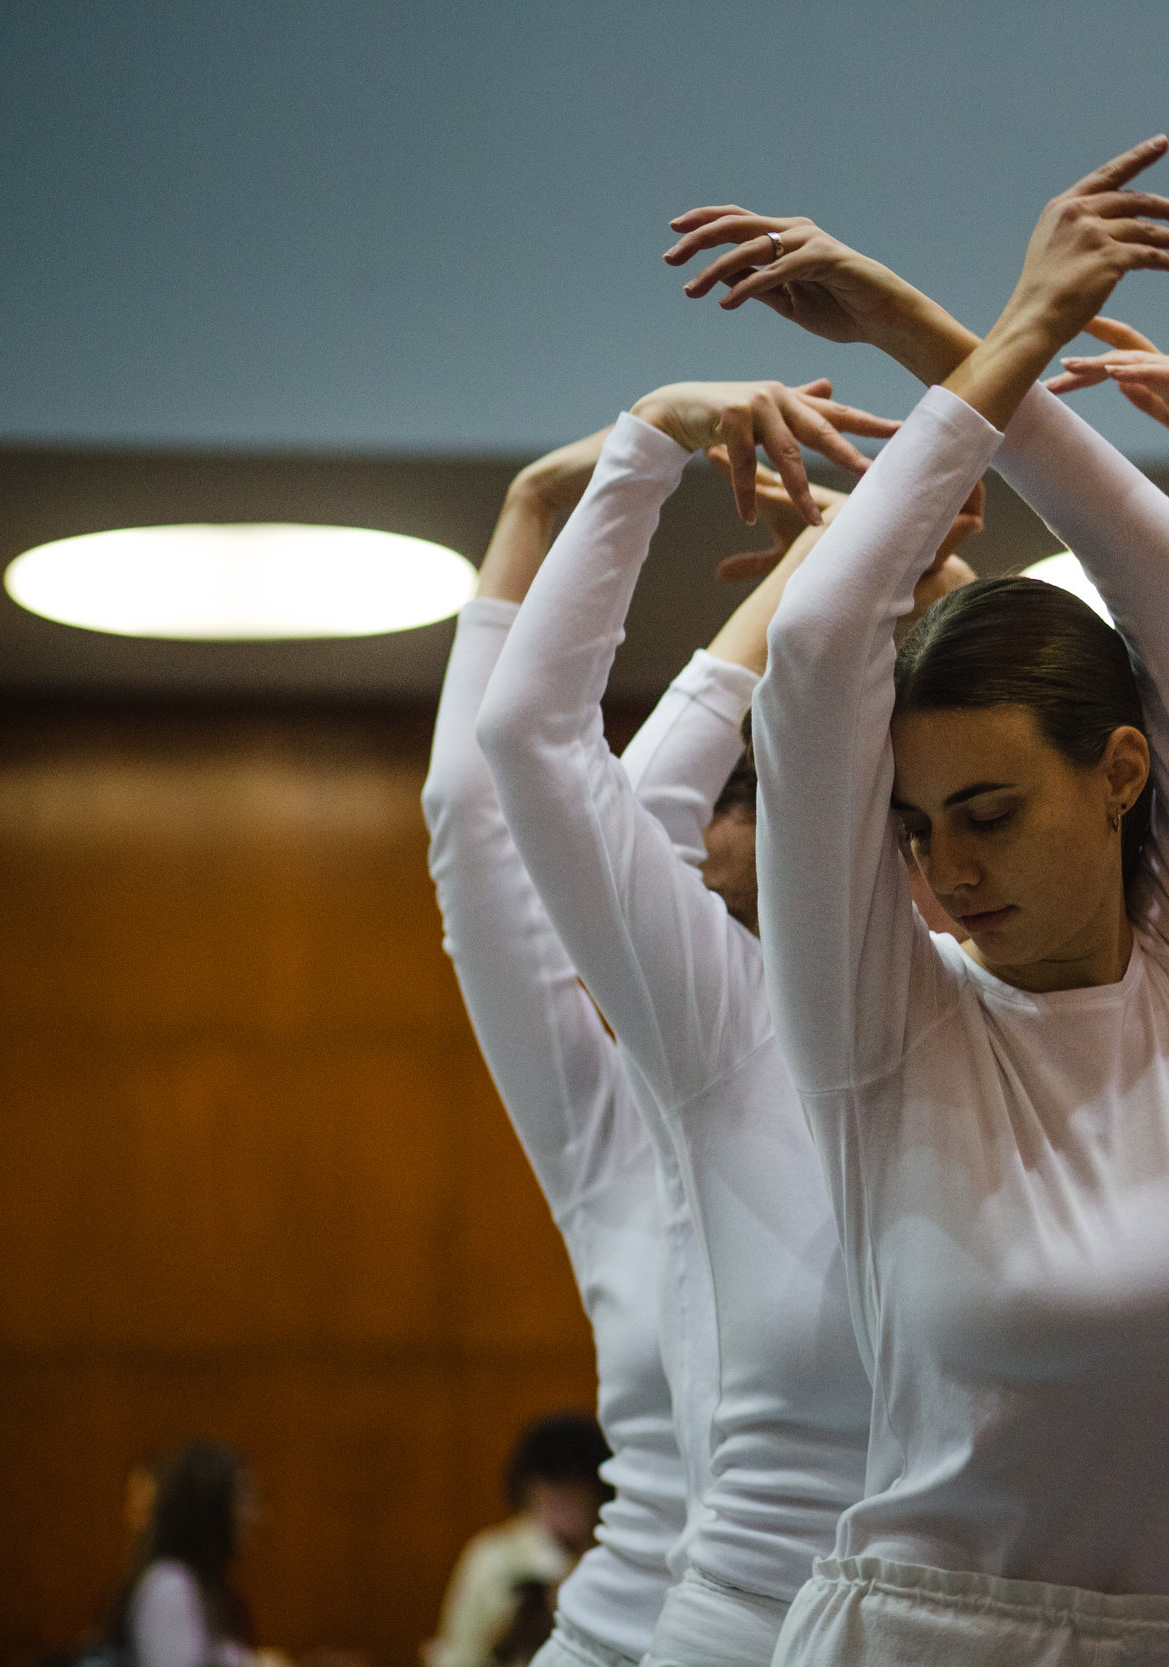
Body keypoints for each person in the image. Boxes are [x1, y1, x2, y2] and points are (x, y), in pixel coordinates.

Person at [665, 136, 1169, 1664]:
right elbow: (812, 656)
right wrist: (1001, 340)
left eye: (990, 811)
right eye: (919, 827)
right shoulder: (883, 1026)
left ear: (1124, 769)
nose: (948, 869)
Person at [475, 378, 945, 1667]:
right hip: (667, 1624)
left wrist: (901, 600)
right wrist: (781, 569)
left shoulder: (974, 1035)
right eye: (740, 794)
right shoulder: (708, 1048)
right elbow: (519, 804)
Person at [425, 417, 773, 1667]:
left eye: (755, 795)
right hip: (625, 1628)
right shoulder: (613, 1128)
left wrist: (831, 583)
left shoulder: (917, 1046)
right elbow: (476, 817)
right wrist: (530, 508)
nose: (698, 834)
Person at [428, 1415, 614, 1667]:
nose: (564, 1508)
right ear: (527, 1491)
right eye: (551, 1492)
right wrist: (510, 1631)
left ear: (598, 1492)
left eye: (575, 1491)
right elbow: (459, 1656)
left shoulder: (616, 1552)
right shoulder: (493, 1556)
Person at [105, 1442, 262, 1667]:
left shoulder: (203, 1586)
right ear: (210, 1507)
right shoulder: (170, 1586)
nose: (254, 1513)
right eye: (243, 1499)